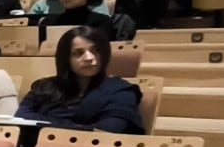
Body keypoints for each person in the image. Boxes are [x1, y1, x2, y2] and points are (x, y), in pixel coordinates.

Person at [16, 25, 145, 132]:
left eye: (95, 51)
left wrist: (44, 123)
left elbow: (109, 129)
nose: (89, 58)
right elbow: (21, 116)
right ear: (66, 59)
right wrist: (78, 127)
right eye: (78, 53)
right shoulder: (45, 86)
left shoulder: (121, 91)